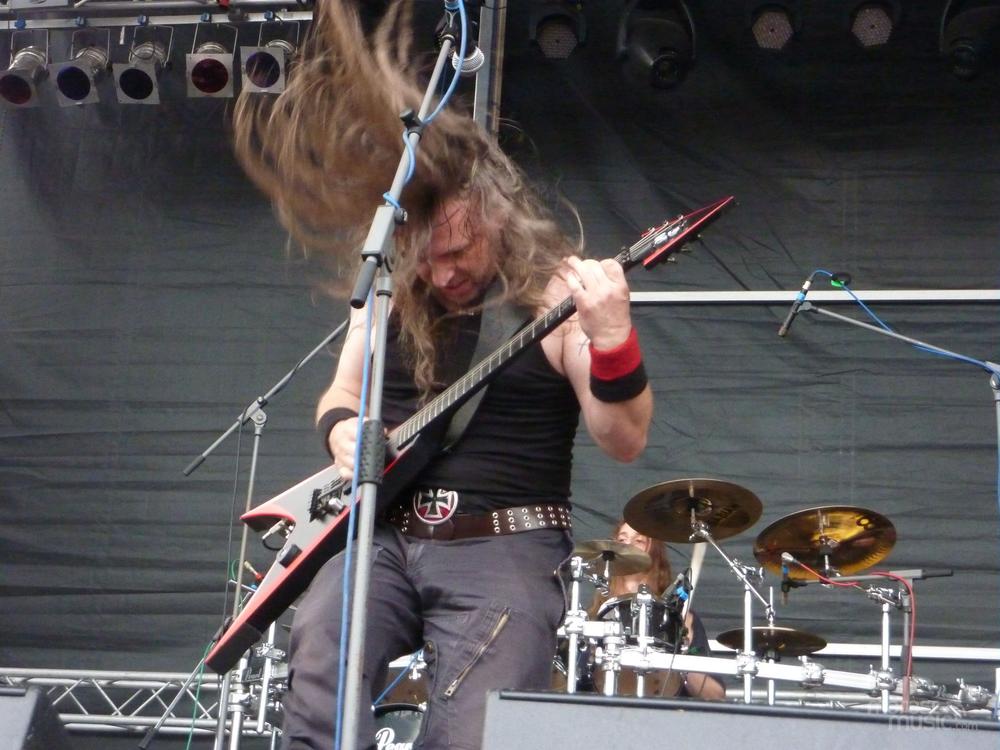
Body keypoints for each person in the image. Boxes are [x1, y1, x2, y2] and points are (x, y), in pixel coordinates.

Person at [230, 1, 653, 748]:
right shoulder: (390, 290)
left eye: (459, 251)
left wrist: (613, 337)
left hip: (504, 547)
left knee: (474, 730)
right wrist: (343, 433)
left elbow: (625, 438)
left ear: (498, 217)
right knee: (320, 649)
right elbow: (342, 393)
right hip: (384, 538)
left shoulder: (552, 296)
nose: (444, 272)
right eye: (427, 256)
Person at [589, 521, 726, 700]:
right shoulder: (594, 618)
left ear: (655, 553)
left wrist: (681, 654)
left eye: (639, 540)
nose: (628, 544)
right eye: (622, 539)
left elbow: (716, 695)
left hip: (665, 712)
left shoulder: (679, 618)